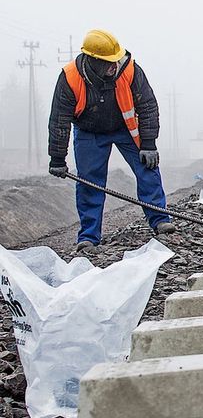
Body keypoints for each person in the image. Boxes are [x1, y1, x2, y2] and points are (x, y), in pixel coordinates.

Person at [48, 29, 174, 254]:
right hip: (89, 132)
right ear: (93, 61)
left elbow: (147, 106)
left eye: (115, 60)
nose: (114, 65)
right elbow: (59, 120)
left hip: (125, 128)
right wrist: (57, 158)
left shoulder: (130, 69)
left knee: (148, 167)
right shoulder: (70, 78)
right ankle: (88, 237)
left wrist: (149, 144)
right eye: (108, 62)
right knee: (89, 182)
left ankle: (160, 220)